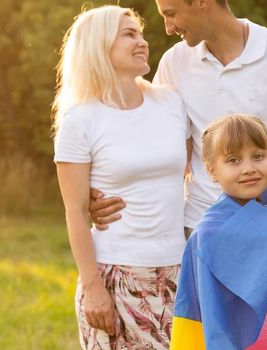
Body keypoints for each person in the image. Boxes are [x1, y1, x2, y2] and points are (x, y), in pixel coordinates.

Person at [90, 0, 267, 235]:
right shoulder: (174, 62)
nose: (168, 28)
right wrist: (105, 191)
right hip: (202, 224)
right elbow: (155, 147)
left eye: (171, 14)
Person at [52, 5, 190, 349]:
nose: (142, 41)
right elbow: (75, 211)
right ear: (99, 46)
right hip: (116, 274)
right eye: (129, 34)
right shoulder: (80, 120)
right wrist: (94, 288)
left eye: (141, 33)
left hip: (179, 270)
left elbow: (189, 170)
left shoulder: (171, 103)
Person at [170, 114, 267, 349]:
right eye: (234, 160)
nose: (249, 169)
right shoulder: (209, 235)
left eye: (258, 156)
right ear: (212, 170)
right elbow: (208, 311)